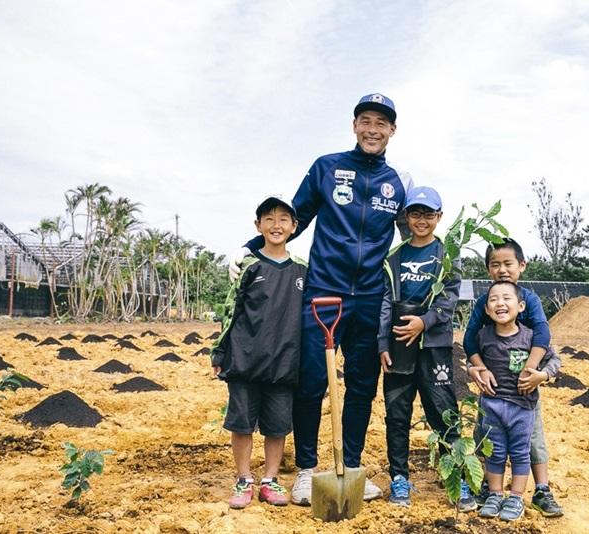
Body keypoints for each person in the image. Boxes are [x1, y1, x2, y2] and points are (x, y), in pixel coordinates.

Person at [228, 93, 413, 504]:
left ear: (392, 131)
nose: (372, 129)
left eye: (381, 124)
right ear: (354, 125)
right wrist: (251, 250)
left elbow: (410, 239)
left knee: (363, 386)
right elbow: (291, 220)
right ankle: (308, 471)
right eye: (365, 120)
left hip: (369, 296)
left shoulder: (398, 182)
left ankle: (350, 465)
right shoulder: (327, 167)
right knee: (311, 381)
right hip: (322, 292)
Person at [377, 186, 474, 510]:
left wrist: (426, 320)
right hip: (399, 346)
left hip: (434, 346)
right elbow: (385, 304)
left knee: (443, 412)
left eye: (428, 214)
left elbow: (448, 297)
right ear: (406, 217)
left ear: (439, 217)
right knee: (397, 414)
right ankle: (399, 479)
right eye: (415, 213)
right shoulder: (394, 256)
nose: (421, 220)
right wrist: (382, 343)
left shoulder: (447, 255)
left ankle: (457, 477)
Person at [211, 196, 307, 509]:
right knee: (241, 423)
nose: (275, 225)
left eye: (283, 220)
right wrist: (219, 353)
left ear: (294, 227)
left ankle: (270, 479)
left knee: (277, 426)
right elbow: (230, 311)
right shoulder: (248, 267)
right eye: (268, 219)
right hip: (245, 360)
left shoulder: (303, 271)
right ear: (258, 226)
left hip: (284, 362)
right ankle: (243, 479)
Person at [464, 237, 564, 517]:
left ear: (522, 265)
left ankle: (541, 490)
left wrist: (533, 372)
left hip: (524, 394)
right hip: (494, 395)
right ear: (487, 270)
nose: (502, 270)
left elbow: (544, 335)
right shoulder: (485, 303)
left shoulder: (528, 299)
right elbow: (470, 340)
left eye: (508, 263)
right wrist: (476, 368)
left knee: (532, 439)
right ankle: (489, 486)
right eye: (495, 265)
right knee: (485, 436)